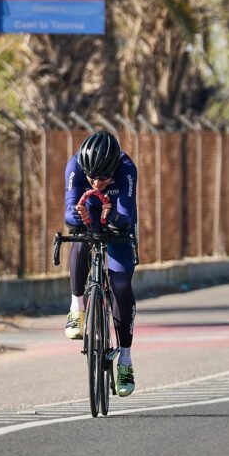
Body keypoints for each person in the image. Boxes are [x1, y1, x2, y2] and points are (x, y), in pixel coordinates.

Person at [63, 130, 138, 397]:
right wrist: (80, 215)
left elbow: (127, 212)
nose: (96, 183)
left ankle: (126, 361)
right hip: (90, 215)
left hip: (117, 216)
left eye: (103, 178)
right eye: (90, 177)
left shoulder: (126, 168)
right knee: (81, 239)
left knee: (120, 284)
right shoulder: (74, 166)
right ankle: (77, 307)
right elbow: (69, 212)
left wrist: (114, 217)